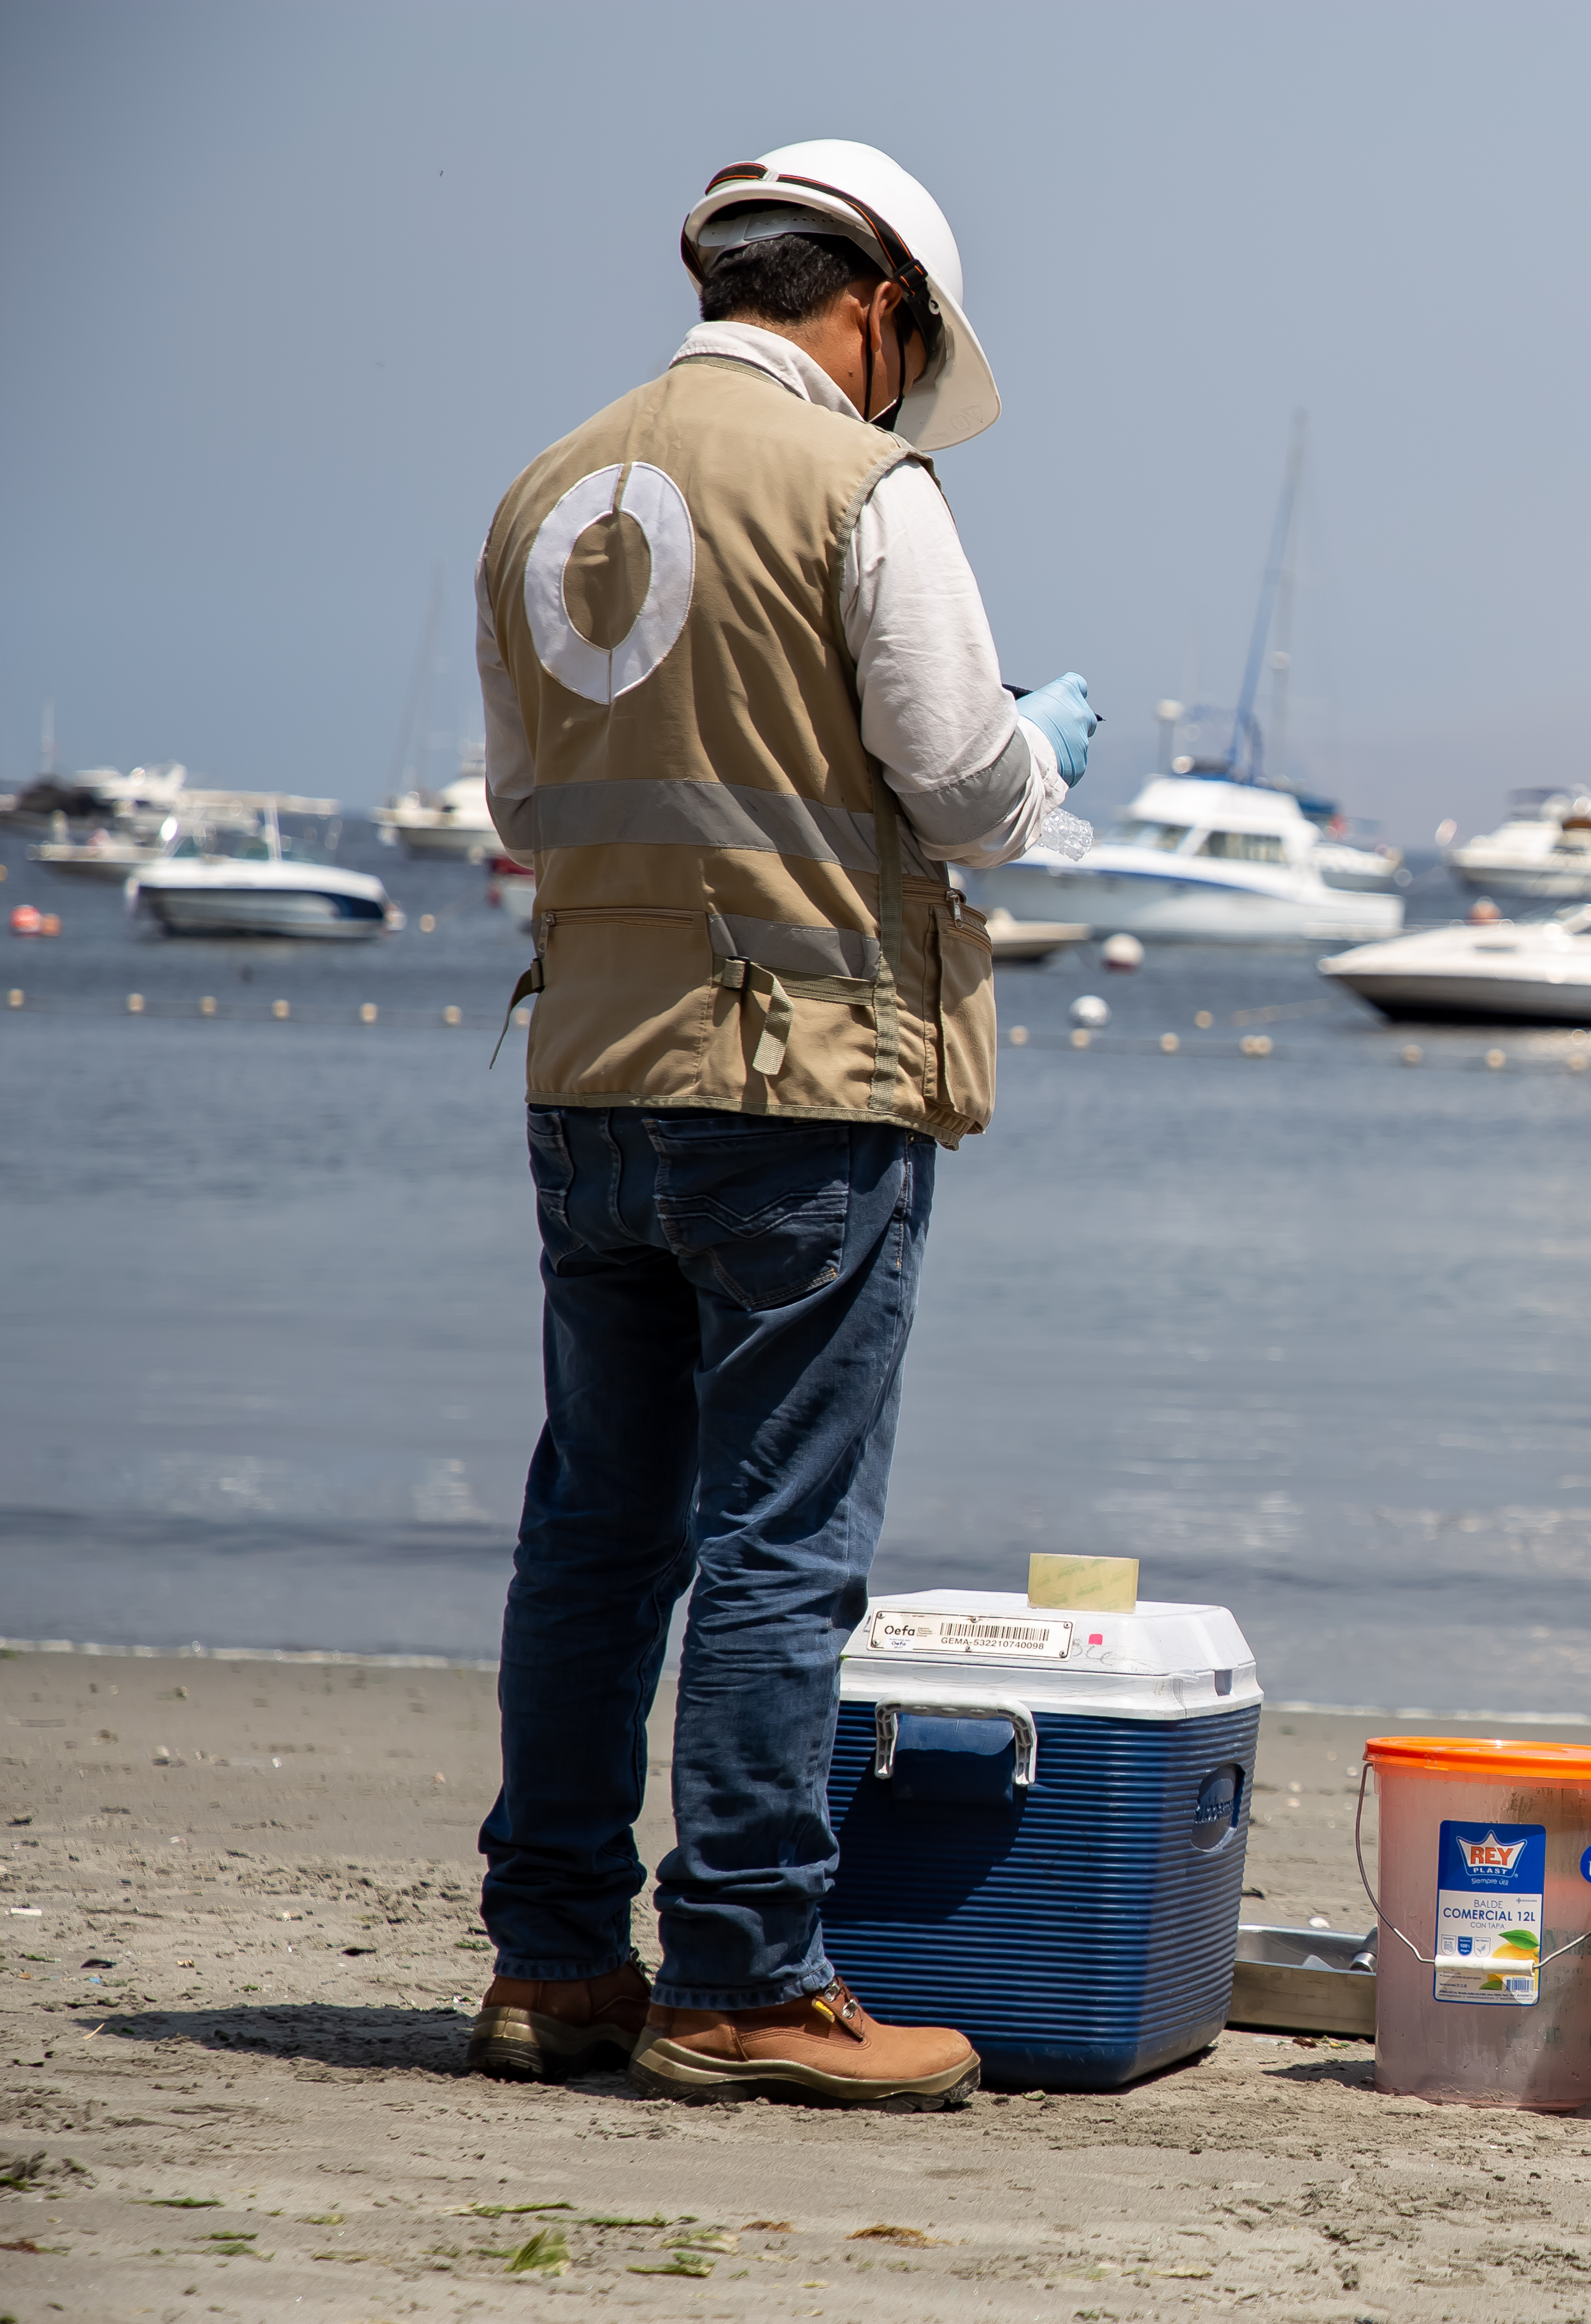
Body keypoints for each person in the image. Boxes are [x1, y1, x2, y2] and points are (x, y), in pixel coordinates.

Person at [460, 140, 1099, 2109]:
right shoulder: (864, 487)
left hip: (589, 1074)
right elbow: (967, 791)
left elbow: (516, 806)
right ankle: (742, 1973)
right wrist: (1042, 745)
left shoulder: (544, 490)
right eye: (911, 355)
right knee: (778, 1538)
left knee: (596, 1528)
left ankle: (556, 1963)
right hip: (802, 1084)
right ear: (877, 309)